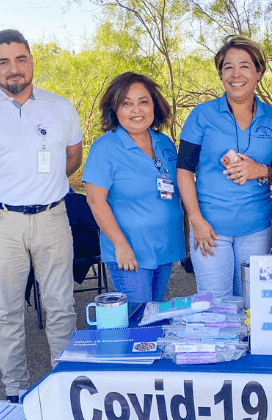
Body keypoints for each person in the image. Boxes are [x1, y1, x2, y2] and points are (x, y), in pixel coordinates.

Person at [0, 29, 81, 402]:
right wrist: (4, 190)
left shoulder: (60, 107)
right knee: (7, 310)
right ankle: (16, 391)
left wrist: (40, 189)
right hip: (1, 222)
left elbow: (71, 159)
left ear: (31, 62)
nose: (14, 69)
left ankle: (64, 382)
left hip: (53, 218)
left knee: (60, 304)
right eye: (4, 61)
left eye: (20, 59)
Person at [177, 35, 272, 298]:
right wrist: (196, 220)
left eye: (244, 66)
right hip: (210, 230)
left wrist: (260, 171)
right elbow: (184, 170)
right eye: (228, 67)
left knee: (253, 307)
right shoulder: (202, 115)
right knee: (216, 307)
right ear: (220, 74)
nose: (235, 74)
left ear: (259, 72)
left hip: (257, 230)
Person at [81, 73, 185, 302]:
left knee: (153, 316)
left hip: (164, 247)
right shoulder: (105, 147)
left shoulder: (164, 142)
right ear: (114, 110)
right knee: (137, 322)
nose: (136, 110)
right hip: (130, 253)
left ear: (154, 106)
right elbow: (95, 200)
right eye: (126, 103)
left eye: (143, 102)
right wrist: (121, 245)